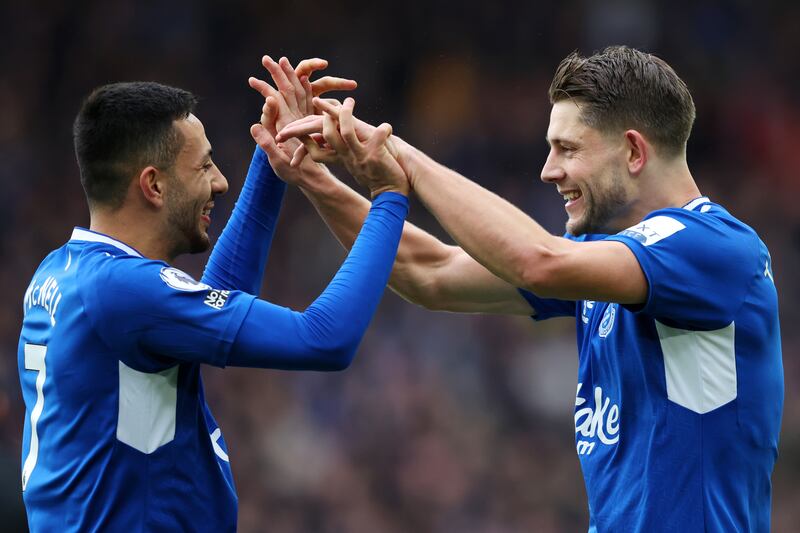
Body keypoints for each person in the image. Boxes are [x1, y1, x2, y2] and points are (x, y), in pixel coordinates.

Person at [263, 47, 783, 531]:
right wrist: (311, 177)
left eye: (567, 149)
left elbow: (537, 261)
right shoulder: (610, 262)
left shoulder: (713, 247)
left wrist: (396, 152)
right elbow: (430, 273)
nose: (548, 170)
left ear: (632, 152)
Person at [17, 57, 410, 531]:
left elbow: (212, 304)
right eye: (204, 166)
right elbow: (325, 340)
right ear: (153, 185)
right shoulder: (121, 290)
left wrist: (273, 158)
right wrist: (388, 194)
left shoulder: (63, 271)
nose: (221, 182)